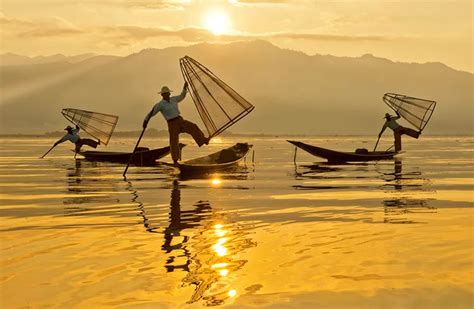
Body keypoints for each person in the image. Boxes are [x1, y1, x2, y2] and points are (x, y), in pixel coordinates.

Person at [143, 82, 209, 164]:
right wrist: (145, 120)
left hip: (180, 120)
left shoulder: (174, 99)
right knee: (174, 141)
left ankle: (203, 140)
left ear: (169, 93)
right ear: (162, 95)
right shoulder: (160, 105)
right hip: (171, 124)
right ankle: (175, 160)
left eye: (167, 93)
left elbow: (182, 96)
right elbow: (151, 113)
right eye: (164, 94)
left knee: (193, 126)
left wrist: (184, 88)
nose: (166, 95)